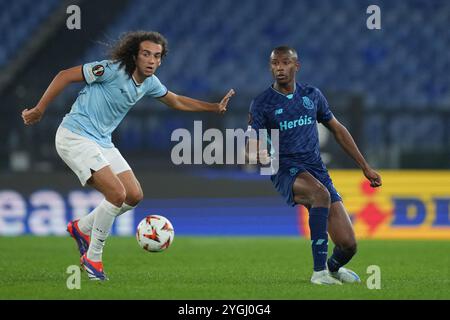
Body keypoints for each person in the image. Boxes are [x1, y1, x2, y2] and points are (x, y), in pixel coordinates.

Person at [22, 31, 235, 281]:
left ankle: (81, 228)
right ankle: (94, 258)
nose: (151, 60)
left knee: (133, 196)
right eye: (146, 54)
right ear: (135, 56)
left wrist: (213, 107)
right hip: (75, 136)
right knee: (116, 194)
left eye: (156, 56)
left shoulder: (150, 83)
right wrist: (39, 109)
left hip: (102, 142)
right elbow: (65, 75)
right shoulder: (112, 70)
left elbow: (176, 100)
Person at [246, 46, 381, 285]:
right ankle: (318, 273)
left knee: (348, 246)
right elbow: (252, 144)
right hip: (285, 169)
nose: (279, 68)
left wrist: (365, 167)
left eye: (285, 62)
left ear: (296, 66)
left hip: (316, 169)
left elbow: (338, 130)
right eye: (275, 63)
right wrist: (256, 152)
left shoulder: (312, 96)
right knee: (319, 194)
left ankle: (332, 268)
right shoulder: (262, 103)